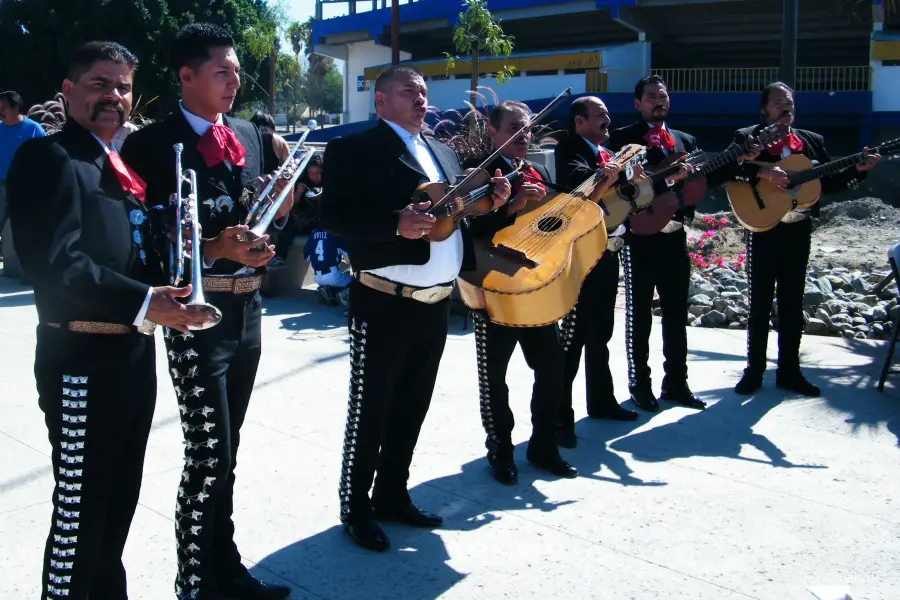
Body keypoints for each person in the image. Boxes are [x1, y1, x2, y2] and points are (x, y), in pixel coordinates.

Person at [7, 40, 214, 600]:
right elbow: (56, 265)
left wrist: (178, 278)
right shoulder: (48, 158)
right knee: (81, 514)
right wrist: (148, 301)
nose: (114, 97)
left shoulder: (110, 161)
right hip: (79, 361)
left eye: (123, 87)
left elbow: (130, 256)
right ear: (69, 91)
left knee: (117, 503)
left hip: (129, 356)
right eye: (100, 84)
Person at [120, 23, 293, 600]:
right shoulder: (149, 143)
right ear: (186, 76)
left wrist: (277, 210)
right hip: (195, 316)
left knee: (229, 448)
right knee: (207, 453)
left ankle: (227, 567)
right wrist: (218, 248)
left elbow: (261, 219)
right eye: (222, 70)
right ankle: (194, 581)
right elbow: (148, 240)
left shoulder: (245, 131)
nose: (235, 81)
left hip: (249, 311)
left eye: (238, 70)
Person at [321, 65, 510, 552]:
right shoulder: (355, 148)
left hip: (434, 304)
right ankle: (356, 508)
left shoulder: (443, 152)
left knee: (412, 407)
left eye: (424, 91)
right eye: (409, 91)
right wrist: (393, 223)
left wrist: (487, 202)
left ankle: (392, 495)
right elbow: (333, 216)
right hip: (383, 301)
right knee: (371, 409)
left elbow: (453, 215)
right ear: (380, 101)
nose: (421, 98)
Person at [730, 82, 878, 397]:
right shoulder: (747, 137)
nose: (786, 106)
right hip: (762, 228)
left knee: (793, 303)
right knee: (759, 304)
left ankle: (789, 372)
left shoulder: (811, 142)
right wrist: (764, 174)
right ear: (764, 109)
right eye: (779, 101)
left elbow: (831, 182)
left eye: (790, 101)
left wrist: (859, 170)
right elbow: (730, 171)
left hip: (798, 230)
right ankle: (753, 372)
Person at [469, 100, 578, 484]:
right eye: (514, 127)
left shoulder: (536, 171)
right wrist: (514, 204)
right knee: (493, 374)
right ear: (493, 132)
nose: (524, 135)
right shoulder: (480, 174)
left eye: (528, 128)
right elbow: (473, 234)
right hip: (494, 289)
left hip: (533, 288)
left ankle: (543, 445)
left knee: (552, 367)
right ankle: (500, 449)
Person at [607, 75, 709, 414]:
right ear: (638, 104)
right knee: (639, 314)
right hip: (640, 235)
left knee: (677, 312)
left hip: (676, 234)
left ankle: (677, 383)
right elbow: (621, 186)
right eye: (651, 97)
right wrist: (663, 177)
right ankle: (639, 385)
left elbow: (693, 188)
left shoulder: (685, 139)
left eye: (662, 96)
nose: (658, 101)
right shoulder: (623, 139)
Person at [553, 95, 644, 447]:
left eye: (608, 114)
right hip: (583, 258)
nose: (608, 119)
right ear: (579, 121)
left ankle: (602, 402)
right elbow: (580, 189)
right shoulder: (570, 149)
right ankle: (560, 418)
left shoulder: (607, 154)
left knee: (600, 334)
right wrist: (609, 176)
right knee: (573, 339)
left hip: (608, 255)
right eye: (599, 114)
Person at [0, 90, 46, 252]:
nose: (1, 112)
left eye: (4, 107)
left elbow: (44, 158)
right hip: (1, 185)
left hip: (24, 187)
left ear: (17, 108)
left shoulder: (34, 130)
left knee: (22, 225)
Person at [249, 111, 293, 266]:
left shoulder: (245, 139)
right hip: (273, 198)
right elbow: (290, 172)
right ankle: (277, 257)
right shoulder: (279, 141)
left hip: (249, 196)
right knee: (289, 221)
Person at [303, 228, 350, 305]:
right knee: (355, 283)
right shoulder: (334, 233)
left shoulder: (313, 233)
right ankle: (333, 292)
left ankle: (326, 289)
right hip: (332, 274)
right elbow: (348, 253)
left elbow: (306, 257)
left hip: (317, 277)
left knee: (341, 274)